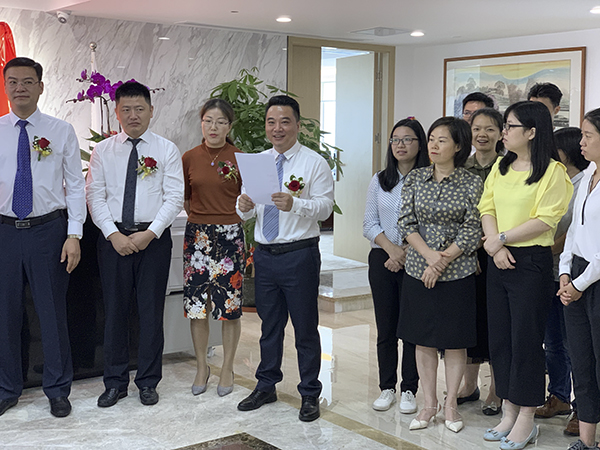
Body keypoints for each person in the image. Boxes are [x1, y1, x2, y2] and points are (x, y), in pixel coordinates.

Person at [479, 101, 572, 449]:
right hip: (498, 256)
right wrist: (494, 245)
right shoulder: (501, 166)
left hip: (530, 261)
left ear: (532, 132)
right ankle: (509, 409)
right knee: (500, 338)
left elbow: (546, 220)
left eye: (510, 126)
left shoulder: (553, 172)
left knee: (527, 341)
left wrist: (501, 239)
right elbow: (487, 206)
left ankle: (527, 418)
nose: (503, 132)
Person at [236, 95, 334, 422]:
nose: (277, 128)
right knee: (269, 327)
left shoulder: (314, 163)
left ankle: (310, 392)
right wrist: (243, 207)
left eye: (285, 122)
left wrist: (296, 204)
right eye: (271, 122)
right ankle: (266, 385)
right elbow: (246, 210)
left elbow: (325, 207)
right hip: (264, 255)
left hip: (299, 255)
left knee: (305, 328)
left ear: (298, 125)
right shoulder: (257, 162)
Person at [86, 81, 184, 408]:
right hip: (113, 240)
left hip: (153, 240)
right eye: (126, 109)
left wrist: (150, 233)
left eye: (139, 109)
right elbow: (94, 196)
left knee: (150, 313)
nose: (133, 115)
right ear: (116, 112)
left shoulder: (166, 149)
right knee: (114, 312)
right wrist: (113, 234)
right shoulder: (103, 151)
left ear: (151, 111)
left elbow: (174, 198)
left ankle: (148, 381)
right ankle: (114, 383)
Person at [0, 57, 85, 418]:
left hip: (49, 231)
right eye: (13, 81)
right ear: (6, 86)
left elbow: (76, 186)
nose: (20, 87)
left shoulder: (60, 130)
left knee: (51, 313)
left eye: (27, 81)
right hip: (4, 231)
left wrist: (74, 234)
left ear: (40, 86)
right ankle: (7, 388)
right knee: (5, 315)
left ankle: (57, 389)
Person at [398, 116, 483, 433]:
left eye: (442, 140)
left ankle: (451, 405)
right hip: (418, 270)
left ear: (458, 146)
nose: (433, 145)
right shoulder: (416, 177)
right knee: (423, 340)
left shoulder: (471, 182)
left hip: (457, 272)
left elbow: (472, 229)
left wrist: (442, 261)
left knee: (455, 341)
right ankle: (429, 404)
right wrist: (430, 257)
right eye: (431, 139)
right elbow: (406, 223)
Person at [363, 117, 429, 413]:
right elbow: (369, 223)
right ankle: (387, 387)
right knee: (386, 327)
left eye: (407, 139)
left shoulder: (429, 179)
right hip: (383, 259)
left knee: (412, 327)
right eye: (395, 140)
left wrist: (406, 252)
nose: (400, 145)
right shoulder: (380, 180)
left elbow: (429, 225)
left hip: (417, 259)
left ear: (420, 144)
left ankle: (410, 389)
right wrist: (392, 250)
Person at [182, 99, 243, 397]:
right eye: (208, 121)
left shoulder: (240, 158)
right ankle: (201, 367)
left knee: (229, 307)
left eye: (220, 122)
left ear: (229, 126)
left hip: (230, 235)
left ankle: (227, 367)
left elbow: (248, 200)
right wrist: (202, 223)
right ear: (201, 123)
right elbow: (186, 198)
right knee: (197, 307)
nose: (213, 127)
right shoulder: (189, 157)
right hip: (197, 237)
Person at [536, 127, 589, 435]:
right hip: (551, 272)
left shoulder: (583, 182)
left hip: (574, 276)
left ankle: (583, 409)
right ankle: (558, 396)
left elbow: (570, 233)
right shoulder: (557, 180)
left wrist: (542, 248)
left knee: (575, 344)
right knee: (553, 341)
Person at [558, 108, 600, 450]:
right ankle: (586, 440)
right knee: (581, 361)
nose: (581, 142)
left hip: (593, 279)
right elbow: (574, 229)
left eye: (588, 135)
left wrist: (579, 284)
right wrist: (564, 270)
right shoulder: (587, 175)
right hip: (576, 274)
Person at [458, 107, 504, 415]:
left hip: (499, 253)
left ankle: (496, 389)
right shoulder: (462, 166)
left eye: (489, 129)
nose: (482, 135)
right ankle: (469, 385)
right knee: (469, 321)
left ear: (501, 133)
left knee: (497, 323)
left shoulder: (508, 167)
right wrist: (470, 251)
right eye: (477, 129)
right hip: (467, 256)